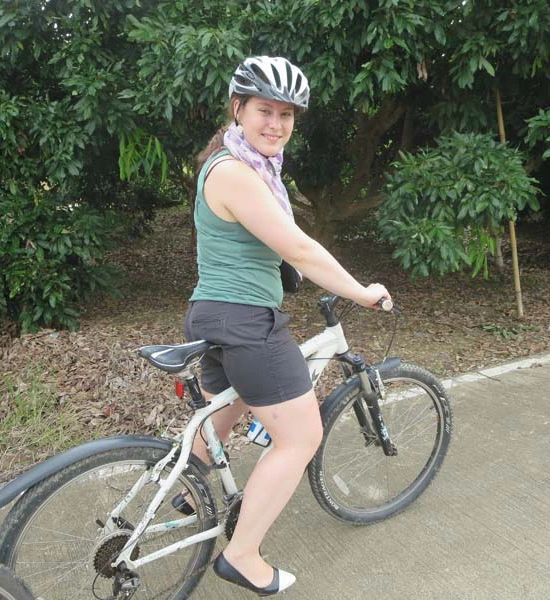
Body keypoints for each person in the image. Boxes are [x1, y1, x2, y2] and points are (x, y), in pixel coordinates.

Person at [181, 55, 391, 596]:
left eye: (286, 114)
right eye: (263, 111)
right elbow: (296, 246)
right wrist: (361, 290)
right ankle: (242, 555)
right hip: (247, 322)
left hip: (213, 312)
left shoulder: (238, 162)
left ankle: (183, 496)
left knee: (221, 418)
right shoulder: (236, 172)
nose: (275, 124)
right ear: (238, 110)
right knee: (299, 437)